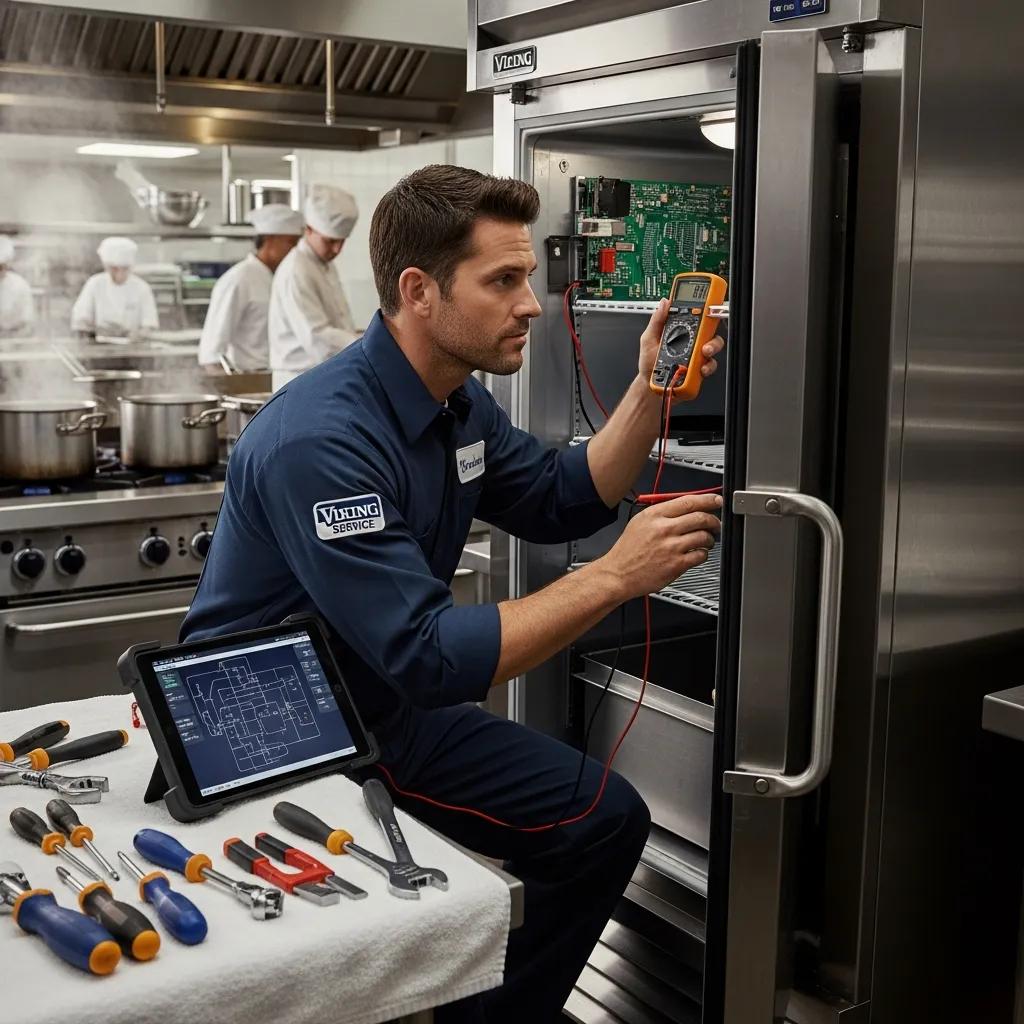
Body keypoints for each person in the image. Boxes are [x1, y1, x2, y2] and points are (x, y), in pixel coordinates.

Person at [181, 165, 724, 1021]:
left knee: (601, 819)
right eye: (503, 281)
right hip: (280, 729)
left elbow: (561, 495)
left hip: (376, 698)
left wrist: (654, 387)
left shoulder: (455, 404)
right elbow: (430, 657)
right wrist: (619, 574)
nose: (533, 306)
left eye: (529, 280)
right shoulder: (322, 439)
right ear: (418, 292)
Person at [267, 182, 360, 390]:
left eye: (342, 241)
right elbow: (317, 337)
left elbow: (337, 322)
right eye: (330, 241)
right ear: (308, 230)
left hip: (324, 376)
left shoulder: (324, 265)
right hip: (299, 382)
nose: (337, 249)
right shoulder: (296, 270)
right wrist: (364, 343)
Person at [197, 204, 303, 373]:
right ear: (269, 240)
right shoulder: (238, 279)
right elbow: (211, 354)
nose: (296, 250)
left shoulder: (285, 278)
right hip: (250, 380)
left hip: (282, 377)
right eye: (291, 242)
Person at [70, 236, 159, 337]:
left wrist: (132, 334)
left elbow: (149, 326)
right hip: (99, 346)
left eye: (124, 269)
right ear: (106, 267)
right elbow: (80, 321)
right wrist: (97, 330)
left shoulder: (142, 288)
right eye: (114, 269)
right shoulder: (95, 284)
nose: (119, 273)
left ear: (130, 267)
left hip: (133, 347)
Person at [0, 235, 34, 337]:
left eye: (1, 267)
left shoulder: (19, 285)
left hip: (12, 340)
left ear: (7, 265)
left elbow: (27, 325)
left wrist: (12, 343)